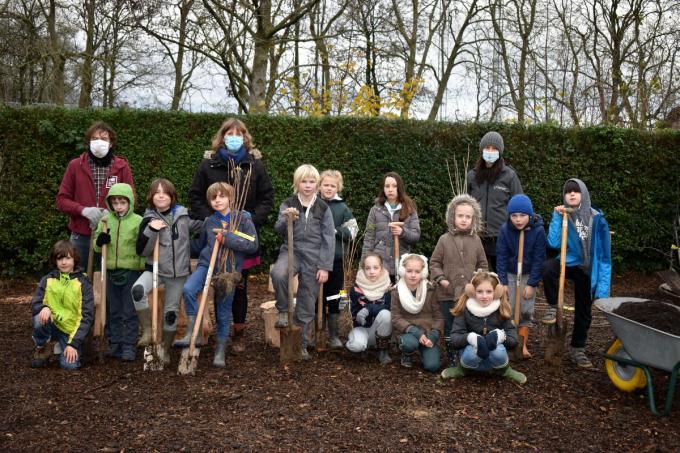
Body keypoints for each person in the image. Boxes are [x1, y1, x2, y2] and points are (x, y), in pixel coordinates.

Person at [188, 118, 274, 353]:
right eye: (229, 133)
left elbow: (267, 198)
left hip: (241, 239)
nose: (234, 137)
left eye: (239, 133)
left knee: (237, 286)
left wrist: (247, 222)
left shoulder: (253, 164)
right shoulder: (209, 164)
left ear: (245, 137)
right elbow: (196, 195)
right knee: (213, 283)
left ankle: (238, 333)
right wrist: (213, 221)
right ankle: (215, 332)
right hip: (216, 237)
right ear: (222, 137)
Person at [179, 182, 258, 367]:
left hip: (228, 271)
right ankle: (193, 331)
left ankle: (220, 350)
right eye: (214, 198)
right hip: (207, 264)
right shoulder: (209, 221)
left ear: (230, 198)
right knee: (189, 289)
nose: (217, 200)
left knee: (223, 311)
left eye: (222, 196)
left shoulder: (242, 219)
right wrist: (179, 242)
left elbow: (252, 245)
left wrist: (227, 238)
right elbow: (200, 246)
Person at [541, 178, 611, 368]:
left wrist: (602, 291)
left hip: (588, 268)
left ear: (584, 194)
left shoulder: (597, 219)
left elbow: (605, 257)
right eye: (568, 191)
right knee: (547, 268)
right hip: (569, 261)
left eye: (576, 191)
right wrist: (556, 217)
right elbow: (554, 244)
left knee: (584, 310)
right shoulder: (563, 214)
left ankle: (577, 349)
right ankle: (553, 306)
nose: (571, 194)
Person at [132, 179, 203, 364]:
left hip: (178, 274)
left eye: (165, 192)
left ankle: (164, 348)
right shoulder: (148, 218)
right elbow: (142, 251)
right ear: (151, 197)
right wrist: (151, 231)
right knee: (137, 290)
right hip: (154, 269)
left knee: (170, 314)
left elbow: (205, 228)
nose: (161, 195)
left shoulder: (184, 215)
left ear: (172, 196)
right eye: (157, 192)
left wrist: (193, 247)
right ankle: (148, 330)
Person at [270, 164, 335, 360]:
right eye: (303, 181)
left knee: (307, 301)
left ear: (317, 184)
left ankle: (302, 345)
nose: (307, 185)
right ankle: (282, 311)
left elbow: (328, 240)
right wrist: (286, 218)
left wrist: (324, 266)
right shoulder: (289, 203)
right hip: (292, 250)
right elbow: (279, 228)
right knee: (279, 273)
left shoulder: (323, 208)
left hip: (314, 257)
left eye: (312, 181)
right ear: (296, 183)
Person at [56, 121, 135, 272]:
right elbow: (61, 200)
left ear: (111, 143)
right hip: (81, 235)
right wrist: (84, 210)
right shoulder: (75, 165)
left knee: (108, 281)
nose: (99, 142)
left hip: (110, 234)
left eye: (104, 139)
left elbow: (131, 199)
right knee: (76, 280)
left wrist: (111, 213)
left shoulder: (121, 166)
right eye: (94, 138)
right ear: (89, 142)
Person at [430, 194, 487, 365]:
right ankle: (452, 355)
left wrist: (478, 280)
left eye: (468, 217)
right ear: (452, 217)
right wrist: (441, 279)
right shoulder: (444, 239)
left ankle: (466, 353)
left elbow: (483, 264)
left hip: (468, 294)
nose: (463, 220)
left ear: (473, 219)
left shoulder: (476, 240)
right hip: (447, 293)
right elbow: (434, 262)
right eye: (460, 216)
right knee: (449, 326)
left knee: (466, 324)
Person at [440, 270, 526, 384]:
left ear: (496, 292)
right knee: (471, 350)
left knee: (498, 350)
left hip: (495, 364)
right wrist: (470, 338)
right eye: (479, 291)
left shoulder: (501, 310)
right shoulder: (464, 310)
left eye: (489, 291)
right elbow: (454, 340)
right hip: (470, 362)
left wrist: (500, 336)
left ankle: (505, 371)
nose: (484, 296)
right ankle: (461, 370)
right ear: (472, 291)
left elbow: (514, 341)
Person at [93, 183, 145, 361]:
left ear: (129, 202)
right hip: (110, 271)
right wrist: (100, 242)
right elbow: (96, 247)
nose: (119, 206)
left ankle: (129, 345)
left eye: (122, 202)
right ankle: (115, 342)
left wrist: (141, 266)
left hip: (130, 271)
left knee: (128, 310)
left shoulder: (137, 221)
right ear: (110, 204)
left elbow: (142, 247)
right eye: (115, 202)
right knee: (113, 309)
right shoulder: (105, 221)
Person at [31, 240, 94, 370]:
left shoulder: (83, 283)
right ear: (55, 261)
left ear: (74, 259)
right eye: (60, 259)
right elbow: (36, 302)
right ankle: (42, 347)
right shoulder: (48, 279)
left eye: (67, 258)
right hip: (52, 325)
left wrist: (73, 343)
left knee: (69, 366)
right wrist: (44, 307)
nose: (64, 262)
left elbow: (87, 316)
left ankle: (62, 346)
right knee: (39, 319)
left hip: (70, 331)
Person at [496, 194, 546, 359]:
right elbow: (501, 257)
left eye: (522, 216)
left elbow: (539, 259)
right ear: (509, 216)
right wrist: (502, 281)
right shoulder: (505, 230)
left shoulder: (538, 230)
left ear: (530, 215)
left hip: (527, 275)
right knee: (508, 308)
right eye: (514, 216)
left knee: (525, 310)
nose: (518, 220)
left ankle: (522, 345)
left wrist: (532, 283)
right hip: (510, 274)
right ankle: (508, 342)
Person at [467, 131, 522, 271]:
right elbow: (463, 204)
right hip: (476, 235)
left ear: (500, 151)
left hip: (501, 236)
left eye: (494, 149)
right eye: (487, 148)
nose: (490, 151)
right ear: (481, 150)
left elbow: (519, 204)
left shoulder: (509, 175)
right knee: (478, 278)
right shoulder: (471, 176)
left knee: (501, 277)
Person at [319, 170, 358, 349]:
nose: (328, 188)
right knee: (313, 297)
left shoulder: (342, 208)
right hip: (315, 260)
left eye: (332, 185)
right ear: (320, 185)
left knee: (334, 295)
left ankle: (333, 334)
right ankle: (314, 332)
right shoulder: (314, 204)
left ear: (338, 187)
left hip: (336, 260)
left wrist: (335, 231)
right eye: (325, 185)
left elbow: (353, 231)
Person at [362, 172, 420, 280]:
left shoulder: (409, 209)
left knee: (398, 295)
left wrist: (402, 232)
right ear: (383, 189)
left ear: (400, 188)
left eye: (394, 186)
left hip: (401, 265)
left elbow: (415, 236)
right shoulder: (375, 210)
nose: (390, 189)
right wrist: (364, 264)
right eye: (387, 186)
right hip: (380, 265)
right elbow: (368, 238)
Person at [391, 254, 443, 372]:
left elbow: (439, 317)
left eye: (417, 271)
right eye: (409, 271)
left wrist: (433, 335)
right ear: (403, 271)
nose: (413, 275)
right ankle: (407, 354)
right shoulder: (396, 291)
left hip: (428, 331)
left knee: (432, 367)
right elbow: (395, 317)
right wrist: (416, 332)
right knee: (409, 343)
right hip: (408, 331)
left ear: (423, 273)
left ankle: (425, 350)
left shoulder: (430, 289)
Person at [346, 253, 392, 364]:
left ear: (381, 269)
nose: (372, 271)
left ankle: (383, 350)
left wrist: (369, 309)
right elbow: (353, 313)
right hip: (361, 328)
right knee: (356, 346)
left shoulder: (388, 287)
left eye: (375, 268)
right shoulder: (356, 289)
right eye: (368, 268)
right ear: (363, 270)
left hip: (379, 331)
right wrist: (357, 314)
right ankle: (361, 346)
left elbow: (387, 307)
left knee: (386, 314)